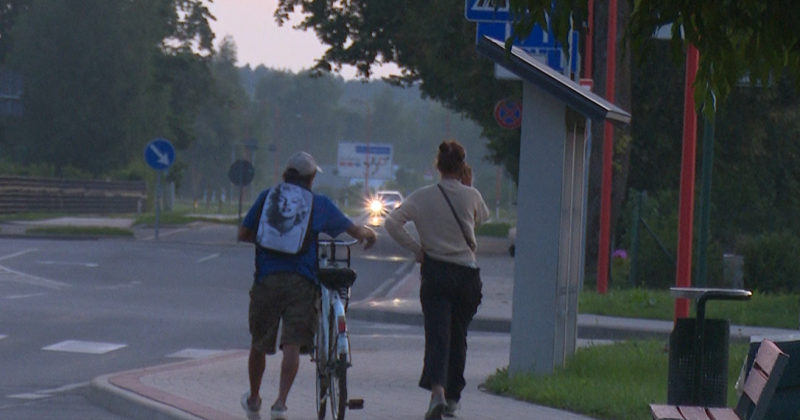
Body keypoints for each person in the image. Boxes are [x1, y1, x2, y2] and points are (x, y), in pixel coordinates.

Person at [238, 151, 377, 420]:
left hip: (266, 279)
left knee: (259, 343)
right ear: (312, 178)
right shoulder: (318, 203)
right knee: (292, 346)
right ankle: (280, 405)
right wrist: (368, 234)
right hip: (303, 282)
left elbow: (243, 234)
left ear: (285, 175)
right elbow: (354, 230)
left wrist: (270, 239)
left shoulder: (268, 197)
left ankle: (254, 399)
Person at [384, 140, 490, 419]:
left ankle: (437, 393)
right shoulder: (472, 196)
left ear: (438, 167)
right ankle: (454, 398)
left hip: (435, 272)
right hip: (467, 274)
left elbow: (391, 223)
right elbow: (482, 219)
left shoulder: (421, 196)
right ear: (463, 167)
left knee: (437, 335)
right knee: (459, 336)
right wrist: (468, 186)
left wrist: (417, 249)